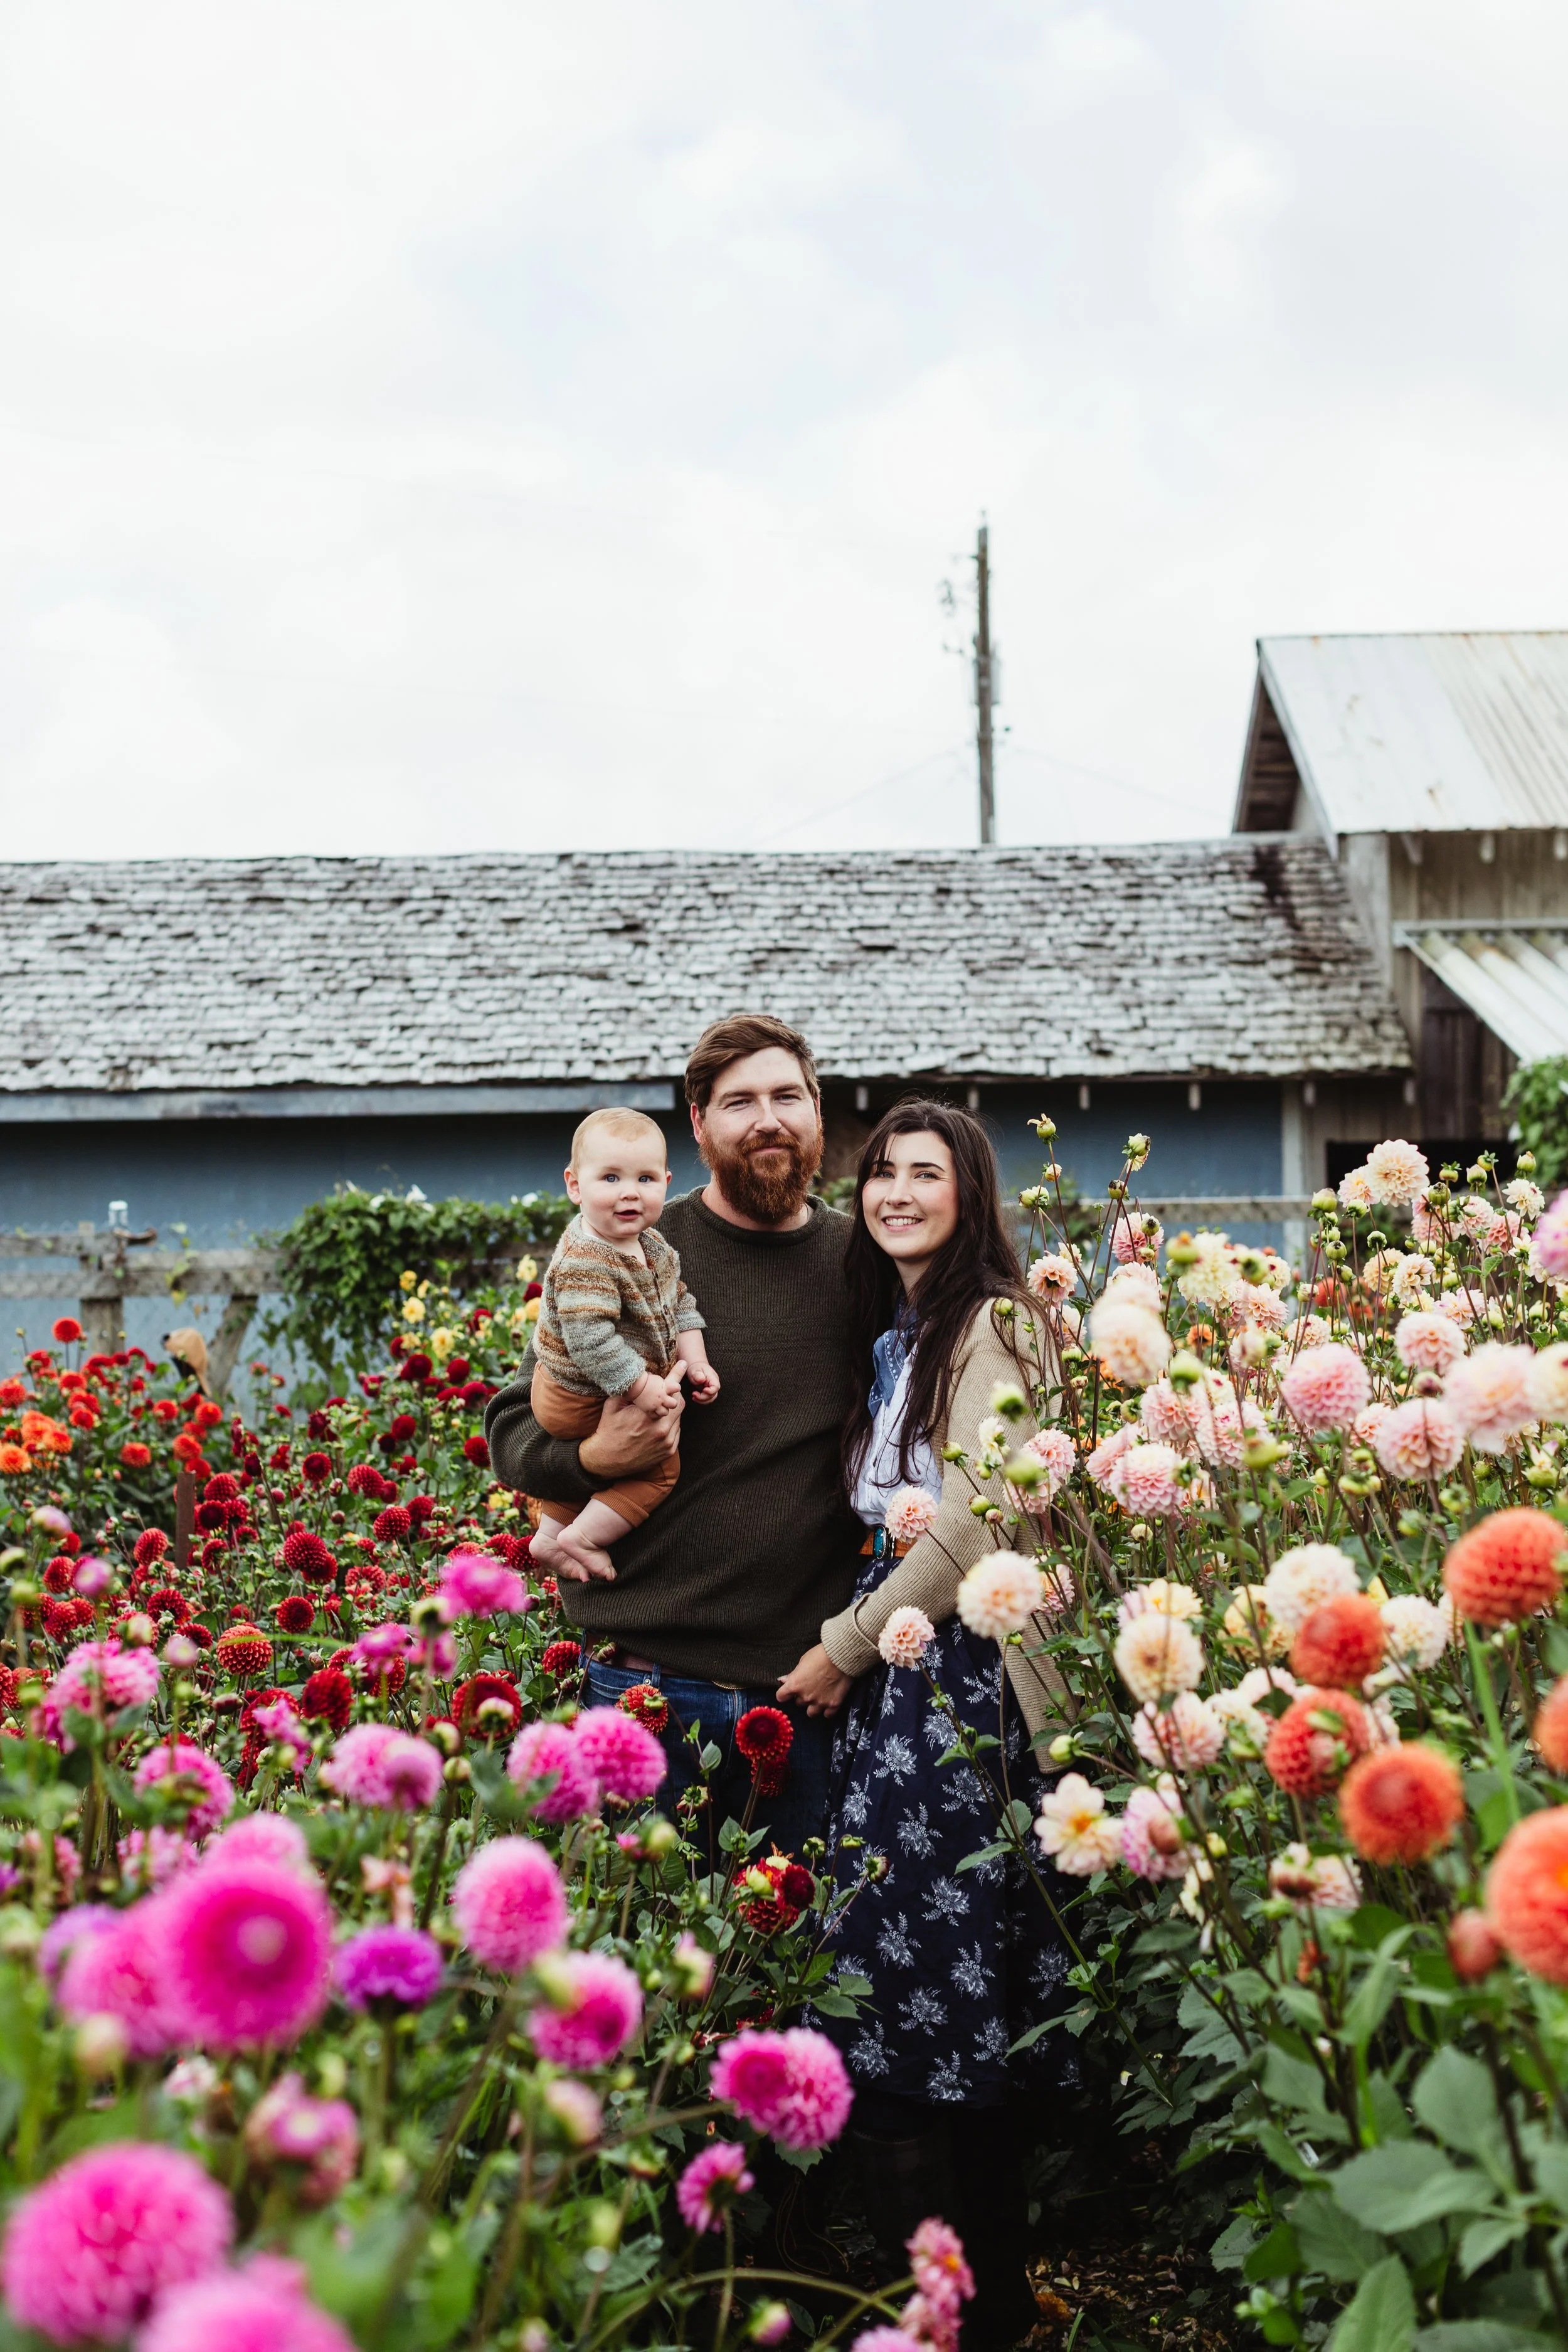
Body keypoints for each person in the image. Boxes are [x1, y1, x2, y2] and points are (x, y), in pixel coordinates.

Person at [776, 1101, 1076, 2349]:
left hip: (952, 1677)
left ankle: (970, 2307)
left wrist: (843, 1648)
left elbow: (980, 1520)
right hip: (905, 1677)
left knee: (924, 1997)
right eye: (881, 1173)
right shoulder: (902, 1329)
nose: (896, 1191)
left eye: (924, 1173)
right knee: (920, 1997)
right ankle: (959, 2300)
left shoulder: (992, 1322)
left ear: (971, 1195)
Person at [485, 1014, 864, 1862]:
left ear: (817, 1114)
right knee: (636, 1966)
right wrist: (590, 1461)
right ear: (698, 1125)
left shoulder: (863, 1260)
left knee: (789, 1971)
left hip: (806, 1692)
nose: (767, 1118)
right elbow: (514, 1420)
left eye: (787, 1096)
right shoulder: (637, 1245)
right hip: (643, 1683)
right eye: (739, 1102)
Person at [528, 1106, 718, 1585]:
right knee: (657, 1467)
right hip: (577, 1394)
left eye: (646, 1178)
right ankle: (585, 1538)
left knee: (606, 1453)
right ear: (575, 1185)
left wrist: (695, 1360)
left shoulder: (651, 1246)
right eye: (610, 1178)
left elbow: (680, 1302)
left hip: (595, 1390)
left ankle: (551, 1535)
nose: (630, 1191)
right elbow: (590, 1340)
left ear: (667, 1183)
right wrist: (639, 1388)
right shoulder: (587, 1259)